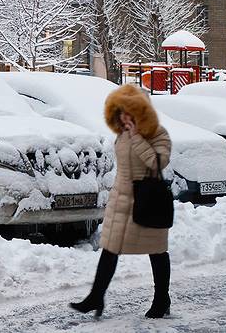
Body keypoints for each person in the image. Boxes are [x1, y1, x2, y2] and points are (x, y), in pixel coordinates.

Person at [70, 84, 173, 319]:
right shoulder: (122, 135)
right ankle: (96, 297)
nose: (125, 117)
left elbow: (158, 164)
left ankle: (162, 299)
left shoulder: (158, 133)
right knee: (110, 249)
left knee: (156, 251)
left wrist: (137, 137)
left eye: (129, 111)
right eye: (121, 112)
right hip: (121, 199)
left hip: (147, 201)